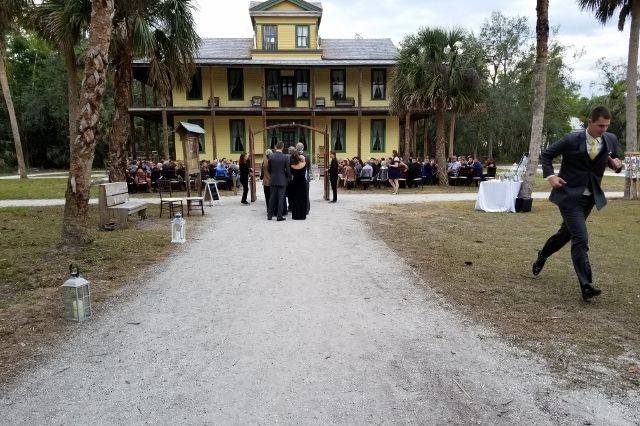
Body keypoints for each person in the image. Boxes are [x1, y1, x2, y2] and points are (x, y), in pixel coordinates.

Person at [532, 106, 622, 301]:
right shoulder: (571, 139)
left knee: (565, 234)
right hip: (569, 195)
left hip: (590, 197)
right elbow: (546, 155)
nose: (603, 130)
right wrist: (551, 176)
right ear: (589, 122)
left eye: (606, 126)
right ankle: (586, 285)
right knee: (580, 238)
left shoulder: (611, 139)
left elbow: (614, 158)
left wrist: (615, 164)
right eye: (600, 125)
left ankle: (543, 254)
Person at [267, 141, 290, 221]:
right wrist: (288, 178)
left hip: (273, 179)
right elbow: (288, 170)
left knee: (272, 198)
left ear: (276, 147)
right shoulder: (285, 157)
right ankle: (279, 216)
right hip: (282, 180)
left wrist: (273, 174)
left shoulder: (271, 156)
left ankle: (269, 216)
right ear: (282, 147)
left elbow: (269, 169)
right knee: (281, 198)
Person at [289, 149, 308, 220]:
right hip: (302, 183)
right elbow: (304, 161)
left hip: (295, 183)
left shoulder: (292, 166)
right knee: (302, 199)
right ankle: (302, 215)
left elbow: (291, 174)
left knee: (295, 199)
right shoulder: (304, 164)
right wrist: (302, 159)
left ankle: (296, 215)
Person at [296, 142, 311, 215]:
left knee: (298, 194)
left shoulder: (295, 156)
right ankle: (307, 209)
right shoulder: (307, 156)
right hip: (305, 177)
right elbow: (309, 167)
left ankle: (299, 209)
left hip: (297, 177)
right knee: (306, 194)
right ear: (303, 148)